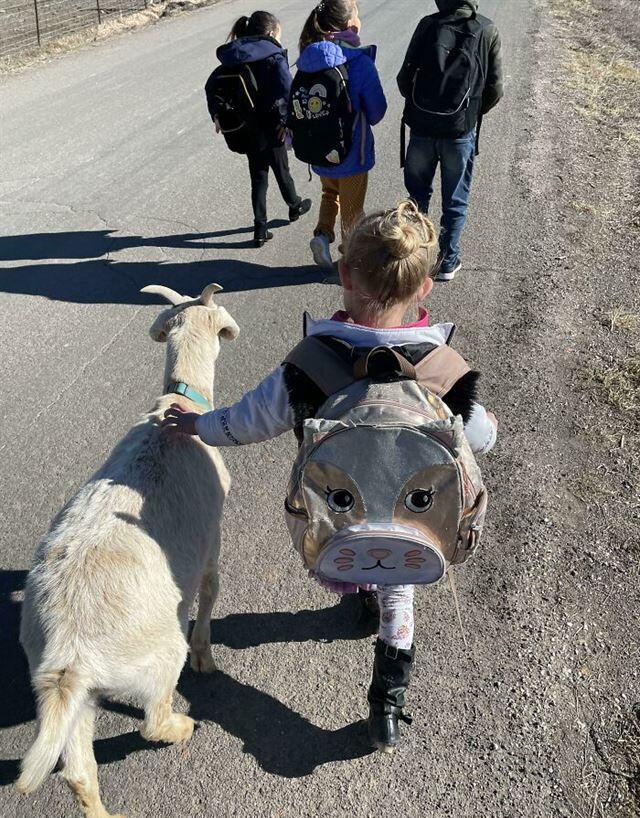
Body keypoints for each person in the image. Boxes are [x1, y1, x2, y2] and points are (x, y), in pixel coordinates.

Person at [162, 201, 497, 751]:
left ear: (344, 274)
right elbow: (477, 439)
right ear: (425, 289)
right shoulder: (444, 370)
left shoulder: (312, 362)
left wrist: (198, 422)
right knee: (400, 596)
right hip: (415, 524)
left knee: (356, 530)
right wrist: (489, 424)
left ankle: (360, 584)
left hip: (335, 521)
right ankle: (387, 703)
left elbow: (247, 422)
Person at [397, 0, 503, 280]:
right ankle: (447, 262)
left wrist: (422, 105)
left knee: (417, 196)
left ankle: (413, 257)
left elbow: (403, 79)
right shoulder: (487, 30)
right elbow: (495, 88)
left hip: (421, 128)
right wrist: (470, 111)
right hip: (459, 131)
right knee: (455, 200)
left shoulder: (428, 25)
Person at [296, 1, 387, 270]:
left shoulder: (308, 59)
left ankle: (322, 235)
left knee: (329, 193)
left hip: (321, 151)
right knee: (352, 211)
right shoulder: (359, 62)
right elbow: (377, 111)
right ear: (351, 25)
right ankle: (348, 261)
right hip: (351, 155)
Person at [212, 11, 311, 247]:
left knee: (258, 179)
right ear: (269, 33)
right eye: (278, 33)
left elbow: (213, 85)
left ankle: (260, 229)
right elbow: (287, 92)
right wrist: (289, 122)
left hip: (247, 130)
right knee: (282, 171)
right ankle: (294, 206)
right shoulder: (273, 57)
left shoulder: (235, 57)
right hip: (272, 127)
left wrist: (216, 113)